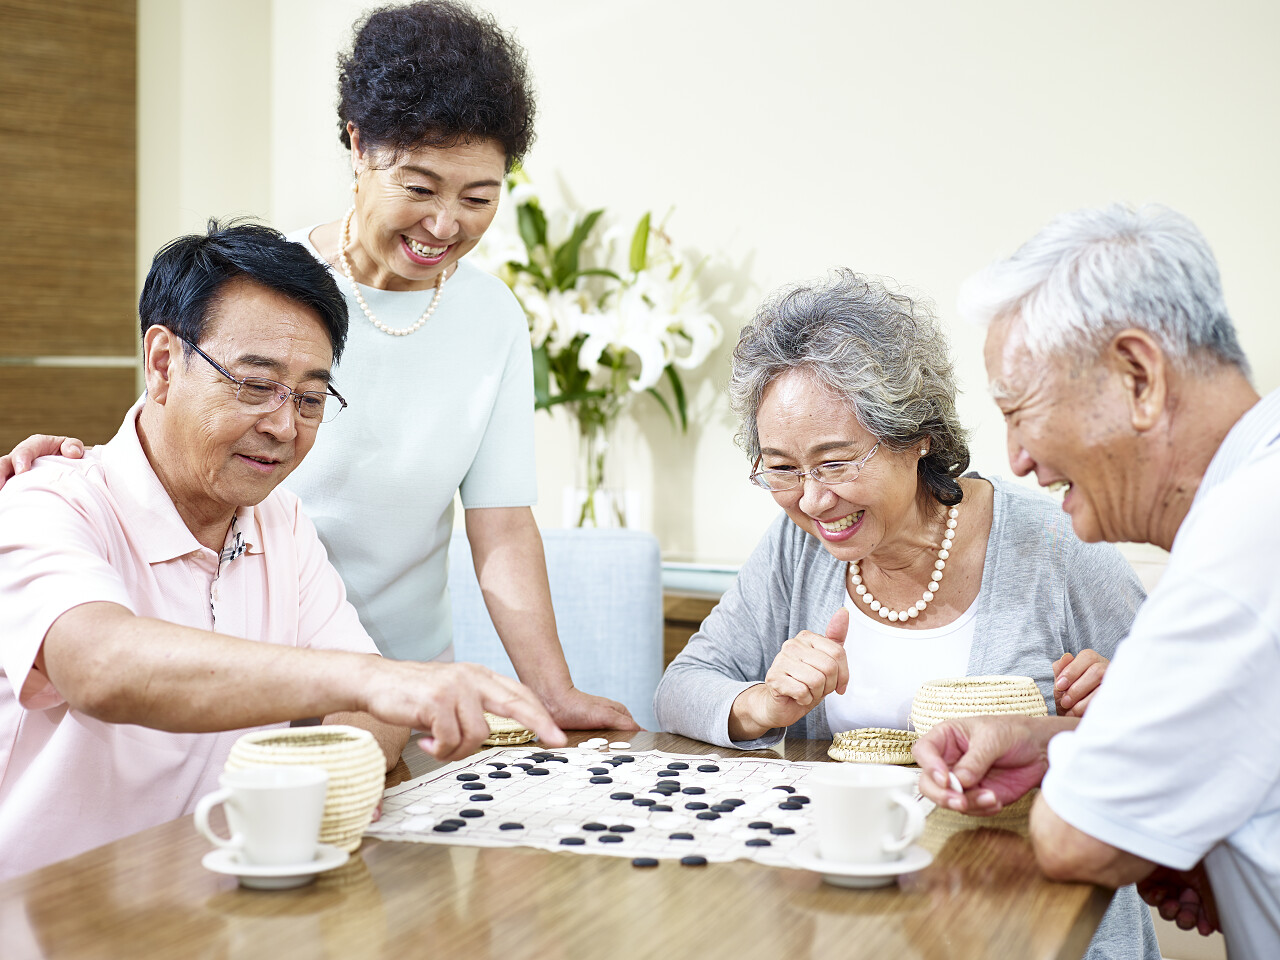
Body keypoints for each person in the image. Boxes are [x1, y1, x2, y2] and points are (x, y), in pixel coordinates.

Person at [0, 1, 636, 732]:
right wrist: (58, 474)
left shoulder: (491, 319)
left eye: (479, 198)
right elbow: (171, 444)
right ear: (357, 146)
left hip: (393, 687)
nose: (445, 224)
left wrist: (548, 690)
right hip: (223, 666)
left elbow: (502, 526)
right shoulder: (267, 293)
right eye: (420, 188)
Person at [0, 222, 563, 881]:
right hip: (49, 920)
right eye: (254, 384)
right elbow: (98, 667)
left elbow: (368, 715)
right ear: (161, 365)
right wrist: (372, 678)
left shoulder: (278, 520)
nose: (283, 426)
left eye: (312, 398)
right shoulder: (44, 502)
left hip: (224, 909)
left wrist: (353, 724)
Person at [654, 269, 1158, 960]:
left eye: (835, 462)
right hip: (841, 922)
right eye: (780, 468)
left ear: (916, 435)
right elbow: (681, 685)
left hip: (1029, 923)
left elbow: (1175, 729)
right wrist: (757, 704)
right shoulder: (796, 548)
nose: (812, 500)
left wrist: (1105, 707)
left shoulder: (1054, 547)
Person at [912, 204, 1279, 959]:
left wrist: (1079, 762)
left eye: (1020, 413)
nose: (1014, 460)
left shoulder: (1242, 546)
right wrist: (1060, 742)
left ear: (1138, 377)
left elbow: (1074, 838)